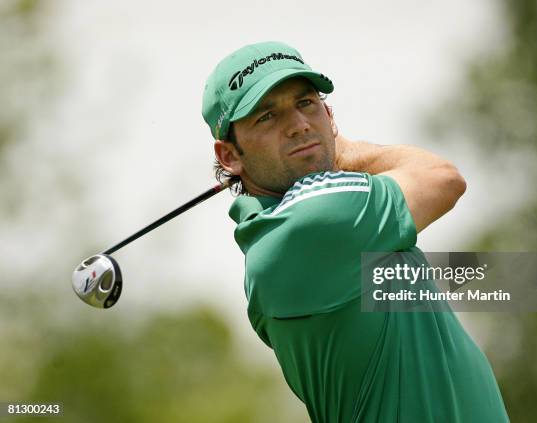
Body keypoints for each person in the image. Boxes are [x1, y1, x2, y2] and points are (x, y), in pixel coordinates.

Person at [202, 41, 509, 422]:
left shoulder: (292, 237)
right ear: (229, 155)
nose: (298, 126)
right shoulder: (314, 219)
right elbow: (443, 179)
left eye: (306, 103)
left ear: (326, 111)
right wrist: (345, 150)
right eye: (267, 116)